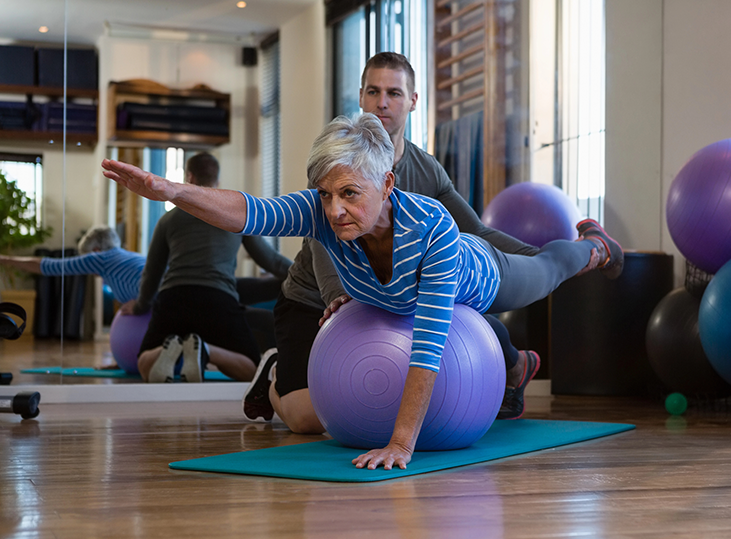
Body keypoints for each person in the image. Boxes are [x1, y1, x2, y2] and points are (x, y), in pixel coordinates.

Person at [101, 112, 624, 470]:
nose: (334, 210)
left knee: (550, 268)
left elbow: (430, 342)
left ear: (388, 184)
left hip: (481, 278)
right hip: (395, 299)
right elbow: (249, 211)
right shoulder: (323, 213)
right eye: (326, 194)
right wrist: (171, 191)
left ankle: (595, 245)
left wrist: (400, 443)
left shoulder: (434, 230)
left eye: (350, 194)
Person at [242, 52, 593, 432]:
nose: (382, 102)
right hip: (319, 301)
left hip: (394, 297)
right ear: (361, 96)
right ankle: (275, 368)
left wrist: (540, 260)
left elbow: (477, 232)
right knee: (306, 420)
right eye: (374, 91)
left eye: (394, 92)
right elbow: (324, 246)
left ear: (412, 101)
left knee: (461, 297)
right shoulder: (339, 159)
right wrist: (341, 305)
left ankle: (514, 364)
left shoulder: (426, 170)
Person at [119, 152, 291, 384]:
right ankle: (206, 350)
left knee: (143, 365)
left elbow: (153, 271)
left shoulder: (168, 220)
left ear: (189, 177)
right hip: (218, 299)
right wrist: (306, 278)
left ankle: (171, 349)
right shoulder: (235, 216)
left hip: (174, 298)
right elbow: (271, 261)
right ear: (217, 181)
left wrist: (141, 305)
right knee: (251, 368)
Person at [0, 225, 145, 305]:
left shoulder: (99, 259)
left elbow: (48, 266)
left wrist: (5, 259)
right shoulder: (129, 257)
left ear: (95, 251)